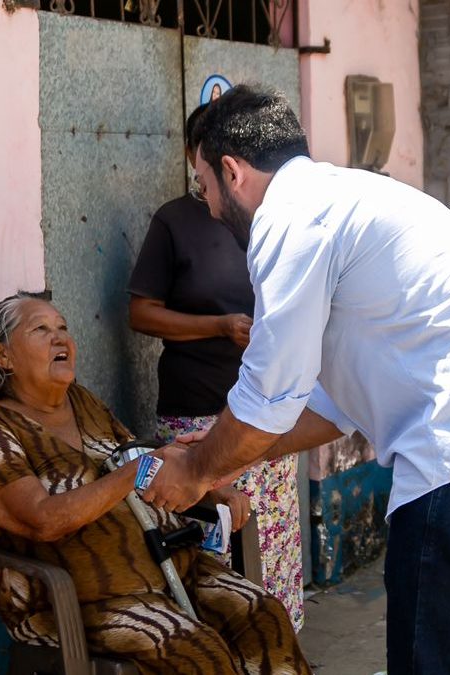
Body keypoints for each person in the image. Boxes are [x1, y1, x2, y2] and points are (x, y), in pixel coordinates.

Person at [142, 85, 450, 675]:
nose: (207, 204)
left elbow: (270, 388)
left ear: (231, 171)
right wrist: (236, 458)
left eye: (204, 184)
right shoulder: (351, 198)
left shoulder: (289, 220)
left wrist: (198, 469)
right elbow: (332, 402)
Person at [0, 292, 311, 675]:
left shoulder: (82, 403)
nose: (61, 339)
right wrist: (137, 472)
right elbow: (42, 519)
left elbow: (140, 456)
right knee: (193, 651)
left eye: (63, 328)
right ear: (2, 356)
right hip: (88, 598)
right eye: (41, 329)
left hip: (170, 566)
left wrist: (206, 483)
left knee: (262, 616)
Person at [128, 103, 305, 630]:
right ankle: (215, 655)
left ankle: (278, 647)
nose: (203, 186)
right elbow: (140, 313)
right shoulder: (177, 220)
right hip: (196, 412)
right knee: (214, 552)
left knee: (272, 546)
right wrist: (220, 326)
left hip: (270, 415)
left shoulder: (267, 220)